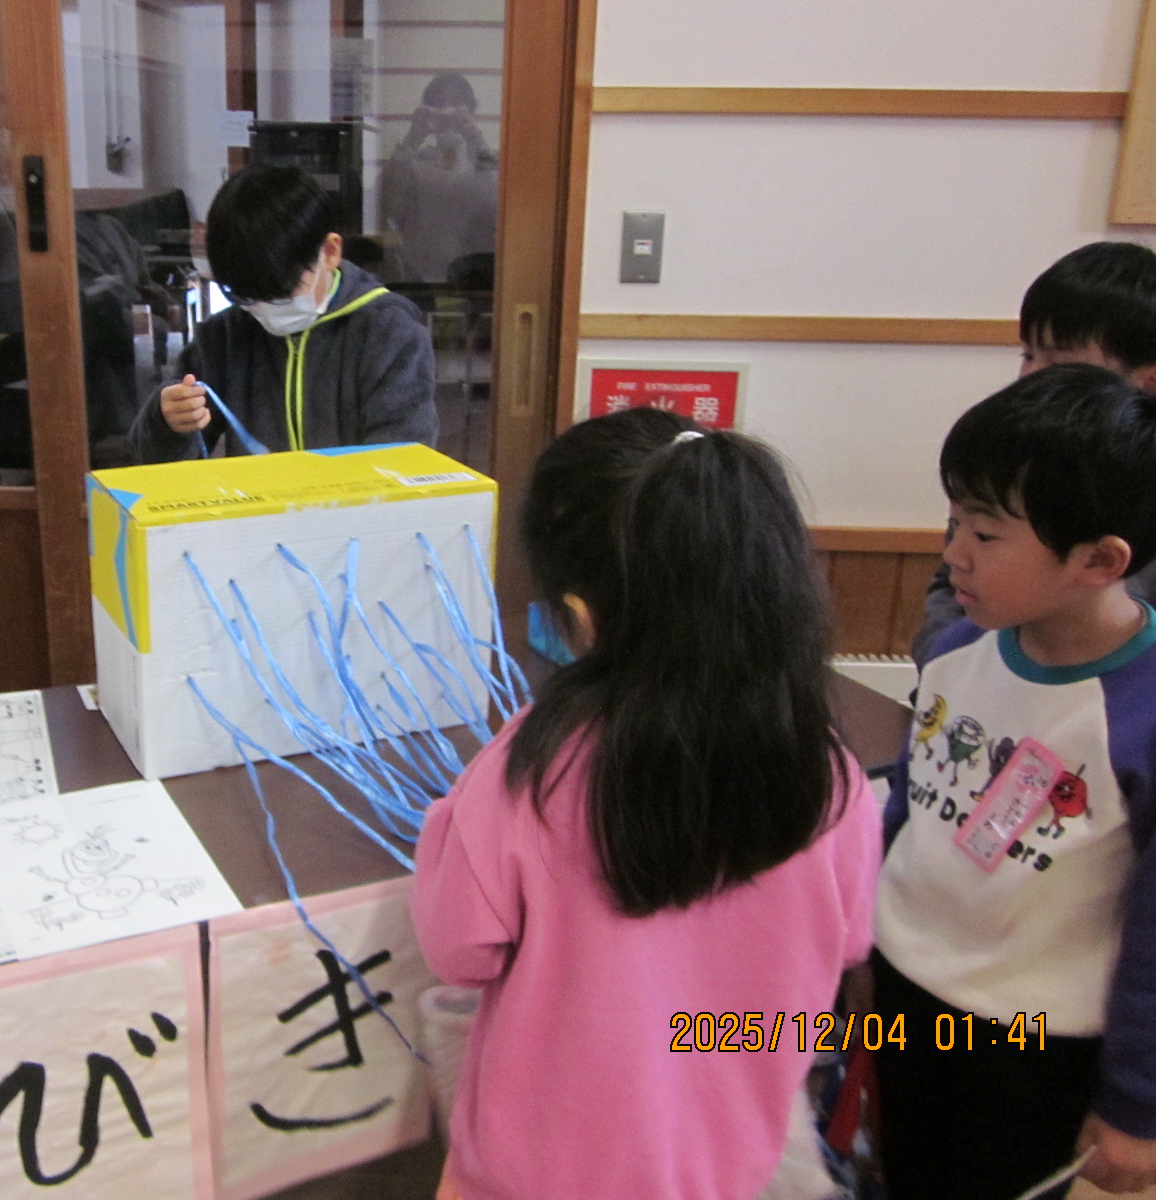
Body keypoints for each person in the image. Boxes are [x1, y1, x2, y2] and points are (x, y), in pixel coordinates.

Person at [411, 409, 881, 1200]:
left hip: (541, 1175)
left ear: (582, 617)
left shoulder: (530, 770)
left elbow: (458, 950)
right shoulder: (832, 777)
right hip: (729, 1166)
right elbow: (847, 941)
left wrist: (449, 821)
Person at [875, 364, 1156, 1199]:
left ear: (1099, 559)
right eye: (954, 520)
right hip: (903, 990)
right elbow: (909, 807)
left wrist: (1136, 1103)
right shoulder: (957, 647)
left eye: (987, 534)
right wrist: (862, 938)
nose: (952, 554)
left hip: (1031, 1043)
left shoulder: (1141, 713)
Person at [913, 241, 1156, 666]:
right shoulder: (1013, 459)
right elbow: (950, 585)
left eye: (1059, 362)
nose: (1030, 376)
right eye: (1028, 354)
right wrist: (950, 659)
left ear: (1148, 382)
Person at [128, 164, 436, 462]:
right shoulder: (223, 338)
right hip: (256, 498)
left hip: (359, 497)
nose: (263, 308)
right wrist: (168, 424)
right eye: (245, 296)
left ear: (330, 252)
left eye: (281, 293)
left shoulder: (389, 333)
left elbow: (402, 460)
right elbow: (157, 464)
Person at [380, 72, 498, 284]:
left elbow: (499, 207)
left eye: (456, 102)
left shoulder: (487, 161)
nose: (447, 110)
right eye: (438, 103)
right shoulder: (414, 162)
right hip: (422, 279)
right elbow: (389, 206)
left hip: (478, 279)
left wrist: (476, 140)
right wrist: (413, 138)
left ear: (471, 109)